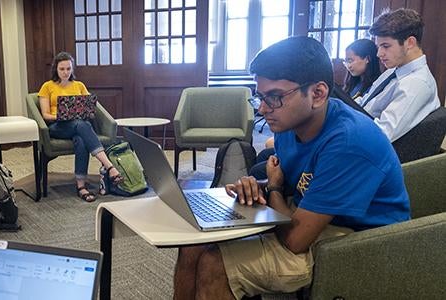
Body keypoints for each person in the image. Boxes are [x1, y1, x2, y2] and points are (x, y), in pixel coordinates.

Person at [173, 36, 410, 299]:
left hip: (355, 243)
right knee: (192, 245)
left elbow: (295, 241)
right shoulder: (290, 124)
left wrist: (272, 188)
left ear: (318, 94)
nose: (263, 109)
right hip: (312, 212)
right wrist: (256, 190)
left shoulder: (349, 142)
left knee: (214, 264)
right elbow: (299, 184)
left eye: (274, 97)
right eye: (260, 97)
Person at [37, 52, 123, 202]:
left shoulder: (79, 85)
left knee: (81, 139)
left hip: (78, 126)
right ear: (55, 69)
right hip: (57, 126)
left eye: (68, 68)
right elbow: (45, 115)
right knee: (80, 125)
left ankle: (81, 187)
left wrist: (85, 112)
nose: (65, 72)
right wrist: (63, 116)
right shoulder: (47, 86)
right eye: (62, 69)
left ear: (72, 69)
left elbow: (90, 107)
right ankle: (109, 166)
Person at [360, 8, 441, 142]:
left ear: (410, 43)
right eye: (378, 46)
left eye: (385, 46)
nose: (379, 54)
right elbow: (364, 102)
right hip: (360, 124)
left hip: (372, 150)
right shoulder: (393, 71)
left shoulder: (416, 84)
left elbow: (381, 134)